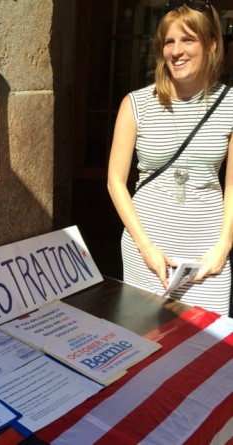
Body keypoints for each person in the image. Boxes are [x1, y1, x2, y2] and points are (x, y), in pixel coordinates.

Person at [107, 0, 233, 316]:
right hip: (147, 253)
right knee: (142, 338)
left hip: (206, 260)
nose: (176, 51)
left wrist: (223, 247)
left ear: (211, 44)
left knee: (208, 341)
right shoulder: (136, 105)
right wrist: (145, 247)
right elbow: (115, 182)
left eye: (188, 40)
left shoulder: (229, 105)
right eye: (169, 41)